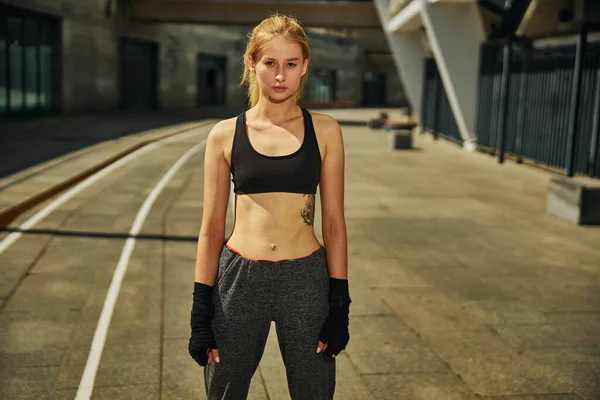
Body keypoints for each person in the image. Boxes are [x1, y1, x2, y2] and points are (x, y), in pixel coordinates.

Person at [188, 13, 351, 400]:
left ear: (304, 67)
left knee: (314, 391)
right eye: (270, 63)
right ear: (251, 63)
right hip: (240, 279)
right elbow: (211, 229)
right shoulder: (224, 134)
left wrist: (339, 304)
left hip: (305, 278)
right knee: (224, 392)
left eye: (291, 64)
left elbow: (333, 225)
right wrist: (200, 312)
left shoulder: (325, 130)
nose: (280, 75)